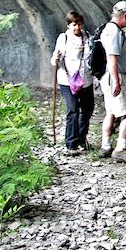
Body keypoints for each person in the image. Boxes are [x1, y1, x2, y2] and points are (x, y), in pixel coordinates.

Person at [98, 1, 126, 162]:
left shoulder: (109, 29)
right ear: (125, 15)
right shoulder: (114, 31)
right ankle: (120, 148)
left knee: (112, 112)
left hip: (110, 75)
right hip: (117, 76)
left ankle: (106, 145)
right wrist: (116, 81)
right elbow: (112, 57)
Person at [50, 11, 94, 155]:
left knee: (87, 110)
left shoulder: (87, 37)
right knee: (73, 110)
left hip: (85, 79)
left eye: (79, 24)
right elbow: (55, 59)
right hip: (67, 80)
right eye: (74, 24)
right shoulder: (64, 38)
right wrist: (56, 59)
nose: (77, 27)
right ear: (68, 25)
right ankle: (71, 143)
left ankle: (81, 138)